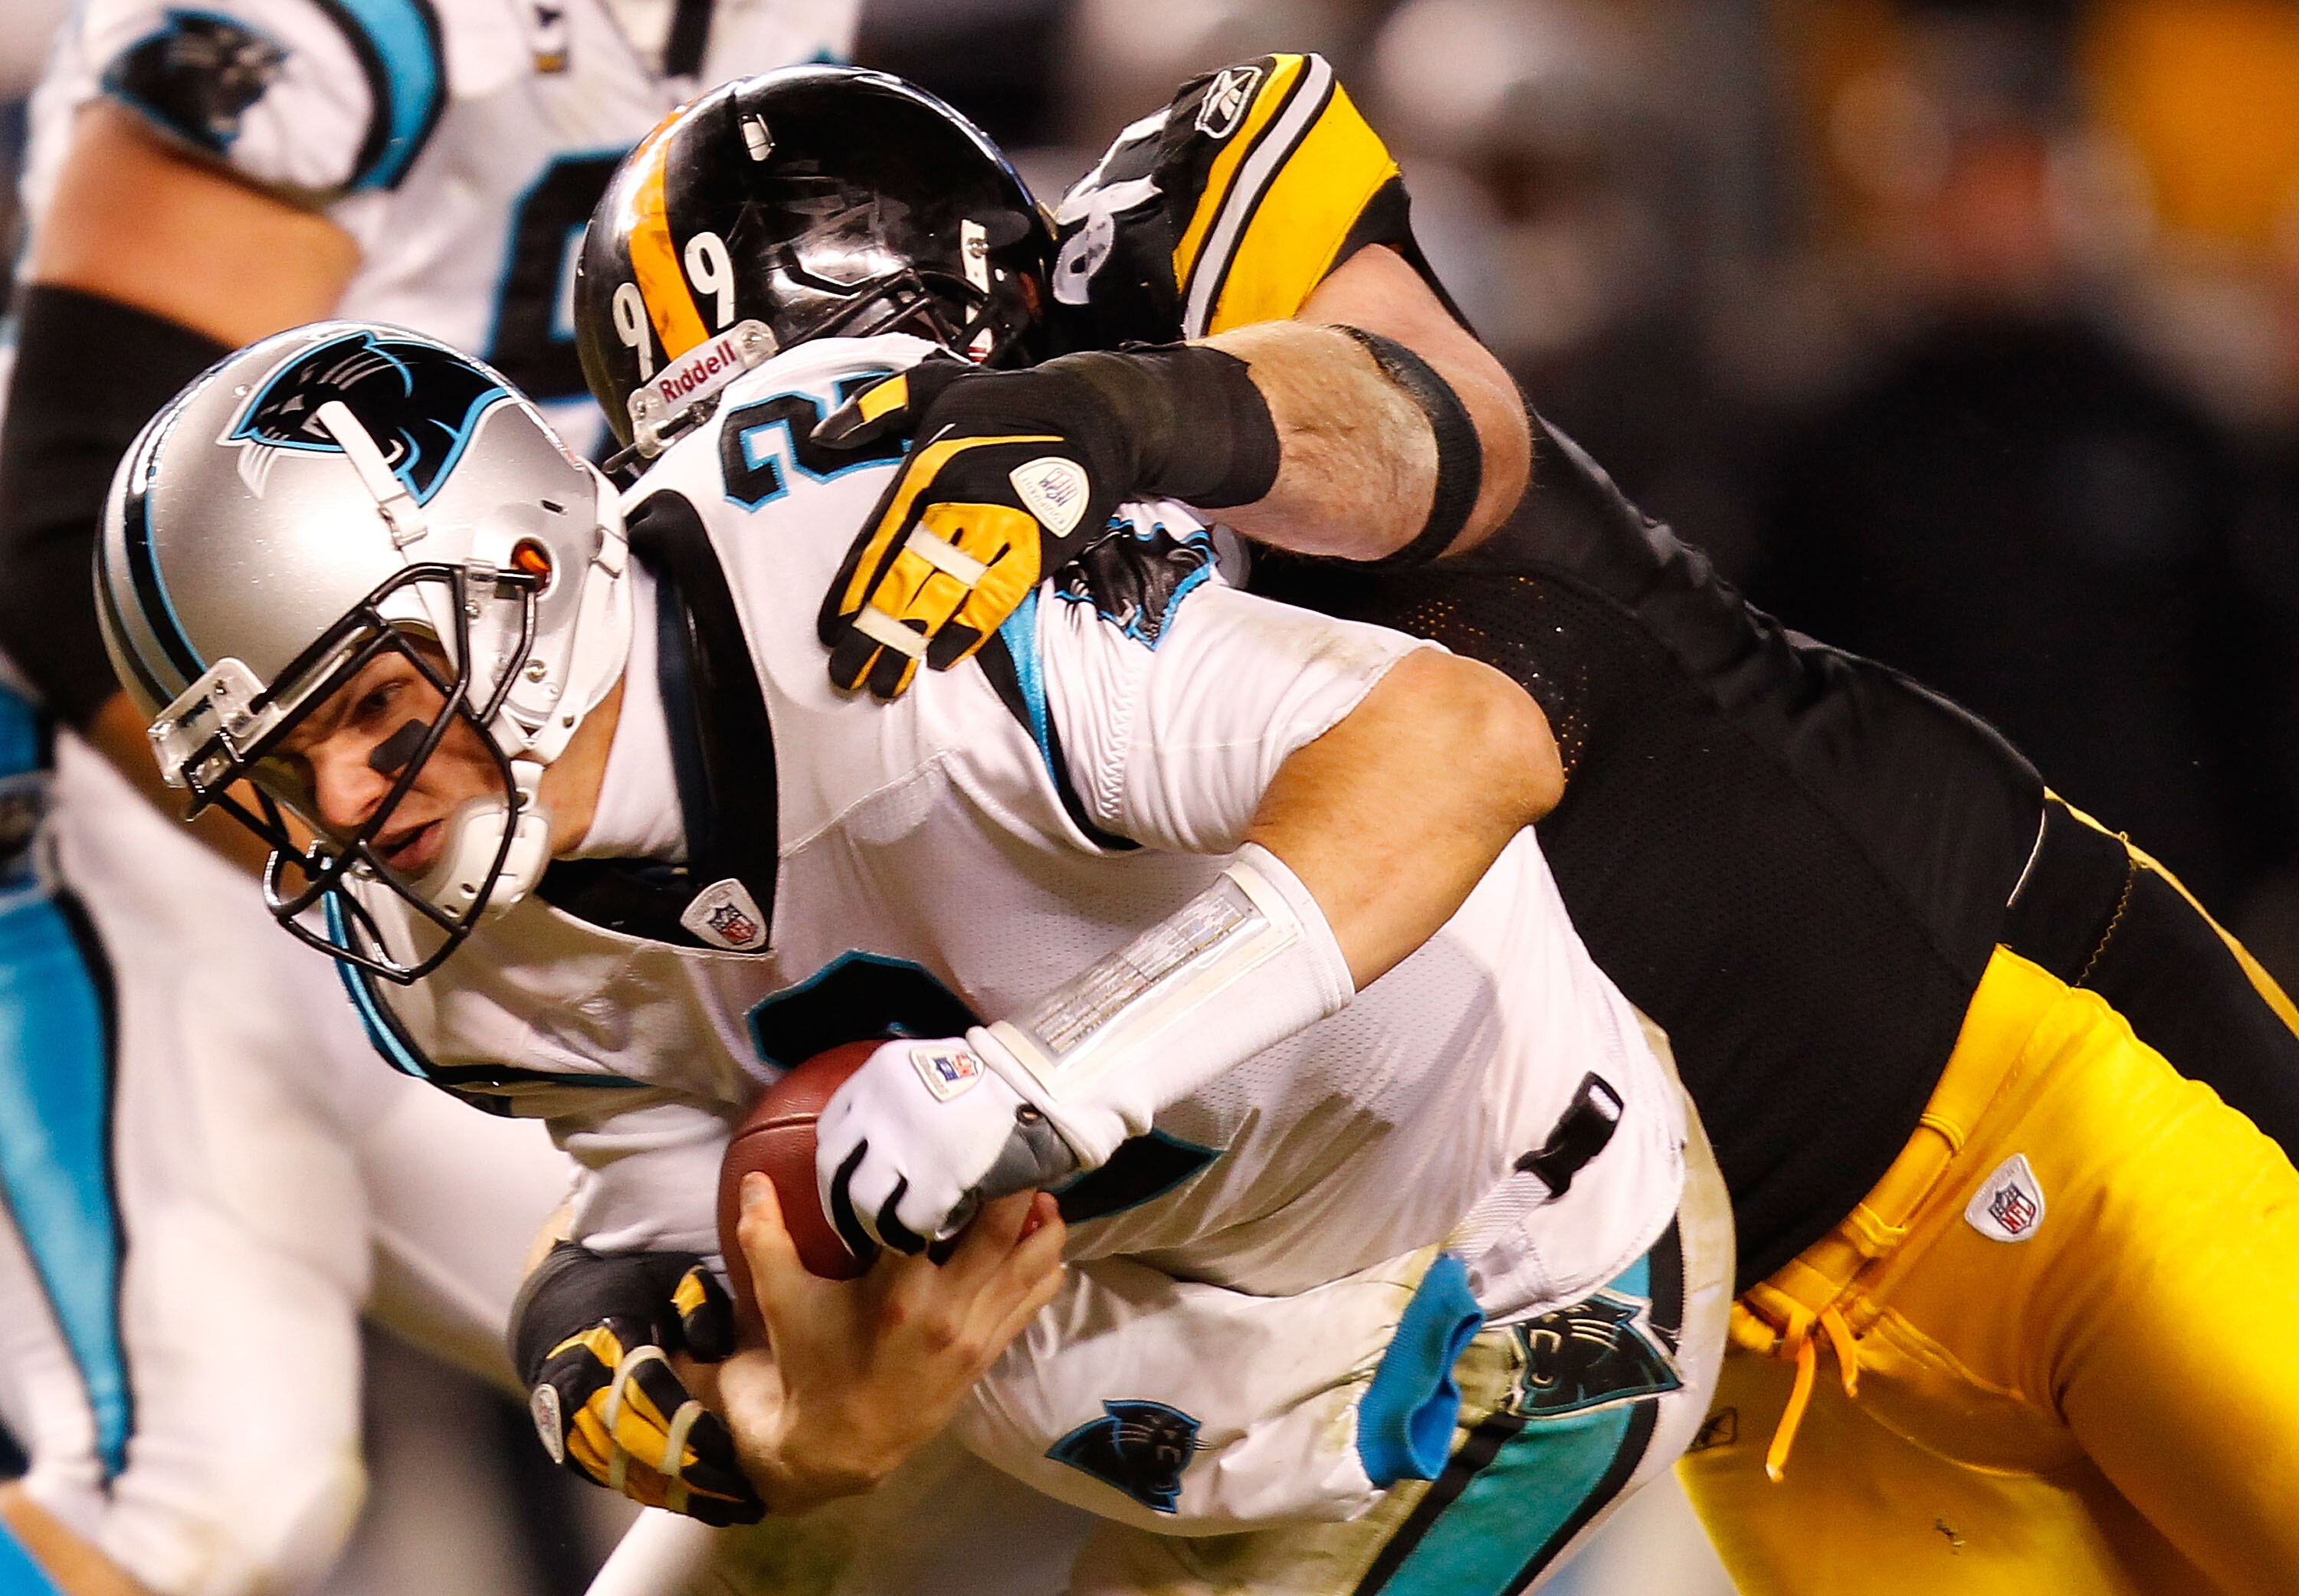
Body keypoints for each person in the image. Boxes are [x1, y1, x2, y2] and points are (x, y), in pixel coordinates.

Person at [91, 67, 1735, 1596]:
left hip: (1489, 1271)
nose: (347, 808)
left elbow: (1462, 743)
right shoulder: (451, 945)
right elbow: (662, 1208)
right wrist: (735, 1414)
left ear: (522, 567)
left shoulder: (857, 543)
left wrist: (1050, 1075)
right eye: (279, 771)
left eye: (375, 711)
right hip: (1064, 1335)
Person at [768, 48, 2299, 1596]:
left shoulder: (1154, 285)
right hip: (1763, 1362)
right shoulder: (855, 741)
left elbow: (1443, 434)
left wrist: (1119, 415)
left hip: (2015, 1069)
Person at [0, 2, 865, 1591]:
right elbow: (60, 538)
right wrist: (460, 884)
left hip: (485, 797)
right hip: (170, 772)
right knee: (208, 1494)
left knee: (827, 1366)